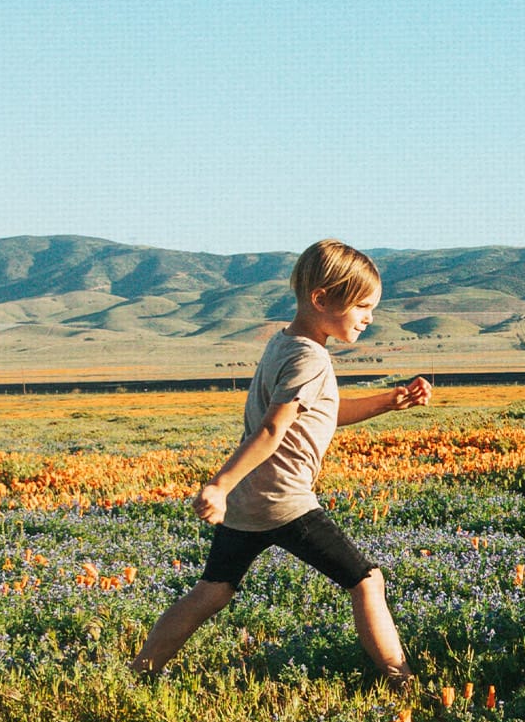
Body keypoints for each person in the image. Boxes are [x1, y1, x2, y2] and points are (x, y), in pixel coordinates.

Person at [136, 239, 436, 686]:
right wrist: (218, 483)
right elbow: (272, 430)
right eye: (362, 306)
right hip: (283, 501)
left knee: (212, 591)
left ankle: (139, 671)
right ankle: (403, 683)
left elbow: (325, 411)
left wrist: (392, 401)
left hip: (249, 501)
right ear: (322, 299)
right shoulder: (310, 358)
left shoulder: (286, 344)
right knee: (367, 581)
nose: (369, 317)